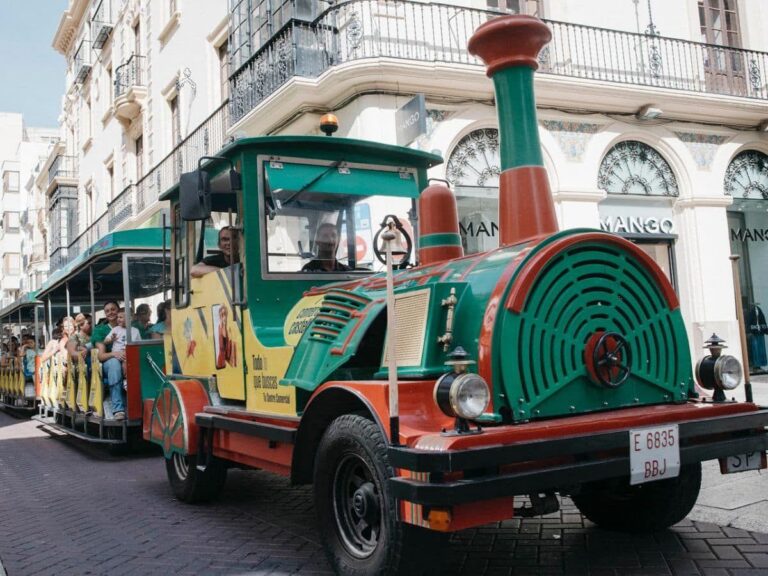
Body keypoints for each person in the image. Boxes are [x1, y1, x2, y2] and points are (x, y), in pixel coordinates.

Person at [92, 301, 127, 420]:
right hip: (107, 362)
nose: (110, 312)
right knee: (114, 364)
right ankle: (118, 408)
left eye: (113, 309)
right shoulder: (100, 330)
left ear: (119, 311)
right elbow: (101, 356)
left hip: (127, 359)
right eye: (107, 311)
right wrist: (115, 354)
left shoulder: (131, 327)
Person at [104, 309, 141, 391]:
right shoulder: (115, 329)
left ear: (129, 318)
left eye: (121, 317)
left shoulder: (135, 331)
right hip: (116, 355)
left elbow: (139, 344)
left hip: (129, 354)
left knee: (129, 361)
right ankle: (124, 381)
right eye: (118, 317)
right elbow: (105, 341)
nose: (118, 319)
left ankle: (127, 380)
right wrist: (111, 339)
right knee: (123, 362)